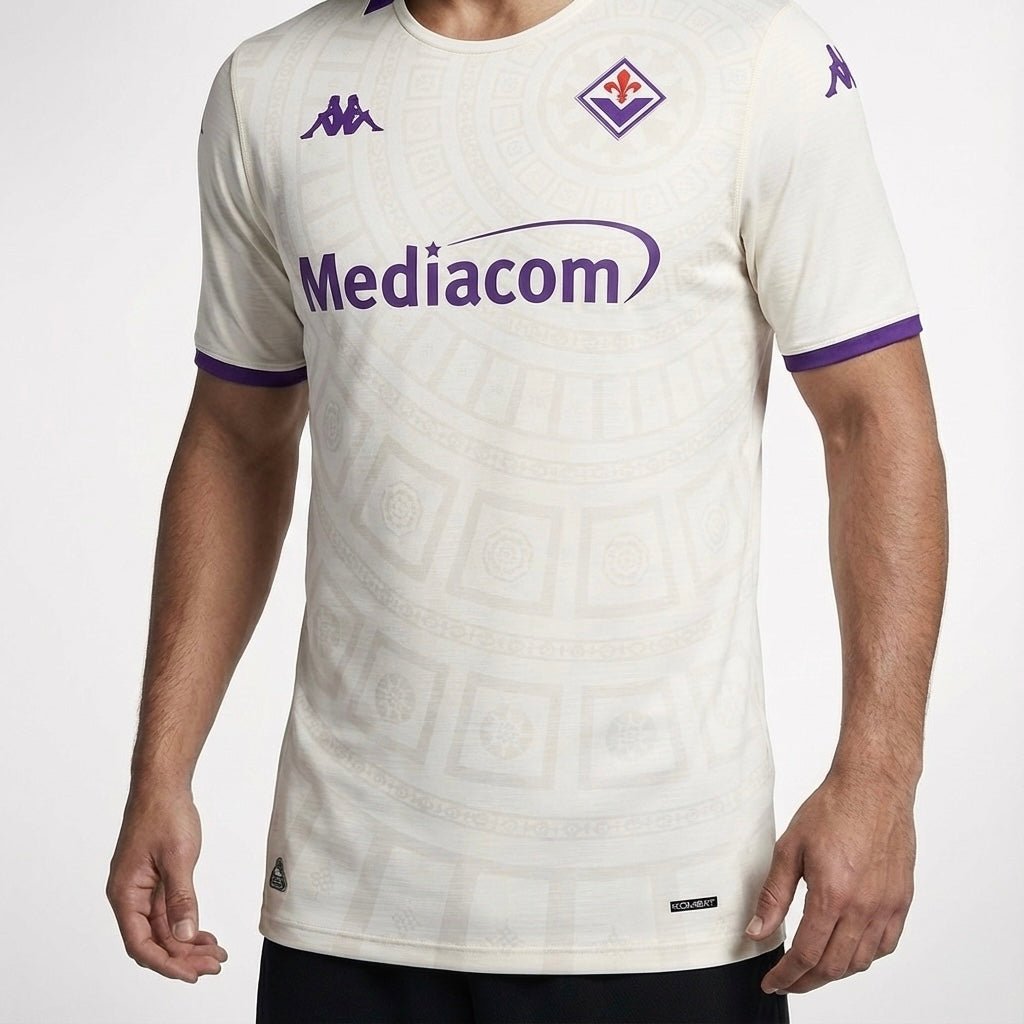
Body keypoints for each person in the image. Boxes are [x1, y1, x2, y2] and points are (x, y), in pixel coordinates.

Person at [105, 0, 948, 1019]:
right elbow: (236, 439)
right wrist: (161, 769)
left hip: (666, 900)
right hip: (348, 896)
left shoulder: (751, 60)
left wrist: (879, 775)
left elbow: (872, 421)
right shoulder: (270, 87)